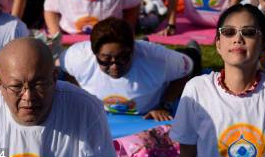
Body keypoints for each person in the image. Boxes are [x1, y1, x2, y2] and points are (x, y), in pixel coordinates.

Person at [170, 4, 265, 157]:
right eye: (228, 32)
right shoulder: (196, 90)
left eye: (249, 32)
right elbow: (187, 156)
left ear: (264, 45)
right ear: (218, 44)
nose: (238, 38)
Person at [0, 37, 119, 157]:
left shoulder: (86, 108)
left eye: (38, 84)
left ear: (54, 78)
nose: (28, 97)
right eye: (17, 86)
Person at [61, 17, 195, 119]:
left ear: (133, 50)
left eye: (122, 58)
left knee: (192, 58)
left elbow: (186, 71)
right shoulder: (76, 57)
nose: (114, 67)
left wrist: (165, 105)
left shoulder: (158, 59)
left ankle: (192, 50)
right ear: (94, 53)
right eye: (106, 59)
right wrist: (79, 99)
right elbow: (67, 72)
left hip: (170, 62)